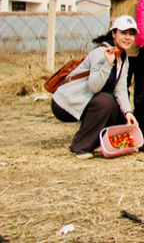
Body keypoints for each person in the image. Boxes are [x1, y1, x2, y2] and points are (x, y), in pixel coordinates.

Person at [51, 16, 139, 158]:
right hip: (66, 102)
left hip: (85, 101)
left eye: (131, 34)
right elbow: (93, 87)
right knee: (105, 101)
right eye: (123, 33)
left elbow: (121, 89)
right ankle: (80, 147)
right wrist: (108, 64)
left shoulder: (124, 58)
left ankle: (101, 143)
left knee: (115, 108)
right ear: (113, 33)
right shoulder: (101, 53)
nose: (128, 37)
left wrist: (128, 112)